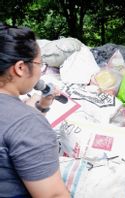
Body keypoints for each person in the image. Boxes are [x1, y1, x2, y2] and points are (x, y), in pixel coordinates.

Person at [0, 23, 70, 197]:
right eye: (40, 63)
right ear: (20, 68)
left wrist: (42, 105)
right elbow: (54, 195)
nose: (41, 70)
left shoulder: (21, 119)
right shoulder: (28, 123)